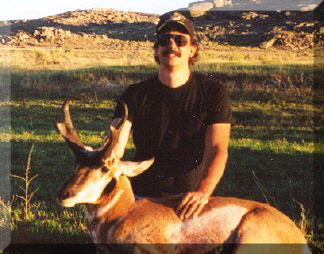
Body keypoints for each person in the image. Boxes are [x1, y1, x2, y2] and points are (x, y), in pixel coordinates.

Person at [112, 11, 232, 220]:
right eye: (164, 39)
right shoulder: (134, 94)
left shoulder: (213, 92)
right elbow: (115, 149)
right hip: (142, 198)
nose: (172, 45)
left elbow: (217, 148)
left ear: (192, 49)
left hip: (191, 200)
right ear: (157, 50)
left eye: (180, 40)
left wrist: (203, 192)